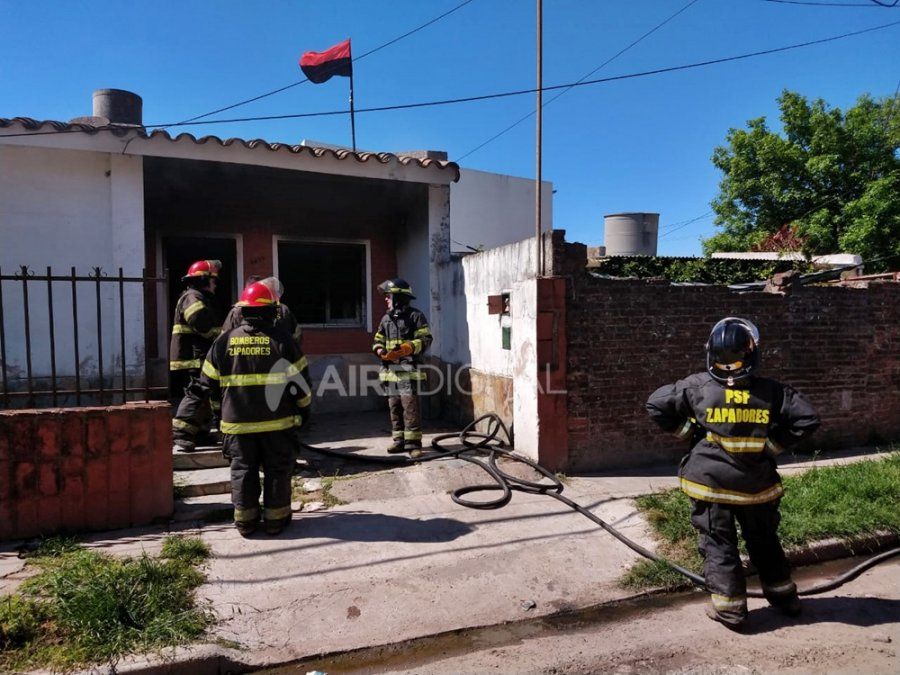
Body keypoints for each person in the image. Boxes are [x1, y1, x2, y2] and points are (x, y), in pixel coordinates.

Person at [645, 317, 820, 630]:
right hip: (756, 487)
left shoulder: (696, 387)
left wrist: (688, 433)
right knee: (765, 542)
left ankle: (730, 610)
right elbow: (807, 419)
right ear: (752, 354)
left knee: (719, 546)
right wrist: (772, 446)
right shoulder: (772, 393)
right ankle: (785, 600)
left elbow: (656, 404)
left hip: (711, 486)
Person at [199, 280, 312, 536]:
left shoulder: (222, 342)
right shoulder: (283, 340)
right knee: (277, 470)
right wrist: (303, 412)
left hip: (236, 425)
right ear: (272, 310)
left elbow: (209, 385)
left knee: (242, 471)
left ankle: (245, 523)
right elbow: (302, 385)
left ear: (243, 310)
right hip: (278, 424)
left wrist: (219, 413)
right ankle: (275, 521)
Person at [371, 278, 432, 454]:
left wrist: (409, 347)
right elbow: (377, 340)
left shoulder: (416, 316)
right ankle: (399, 441)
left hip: (408, 371)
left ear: (398, 297)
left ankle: (413, 445)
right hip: (390, 373)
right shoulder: (386, 319)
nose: (386, 299)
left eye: (388, 296)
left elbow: (426, 339)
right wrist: (381, 350)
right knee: (394, 407)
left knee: (410, 408)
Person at [170, 260, 223, 451]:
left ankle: (198, 433)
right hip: (192, 356)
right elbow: (202, 325)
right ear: (203, 279)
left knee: (205, 393)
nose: (215, 284)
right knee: (197, 391)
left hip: (197, 354)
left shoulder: (197, 296)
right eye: (213, 280)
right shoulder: (193, 297)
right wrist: (222, 335)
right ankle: (181, 432)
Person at [222, 276, 303, 351]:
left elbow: (225, 338)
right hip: (275, 360)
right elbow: (296, 336)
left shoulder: (236, 311)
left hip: (243, 360)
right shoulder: (281, 309)